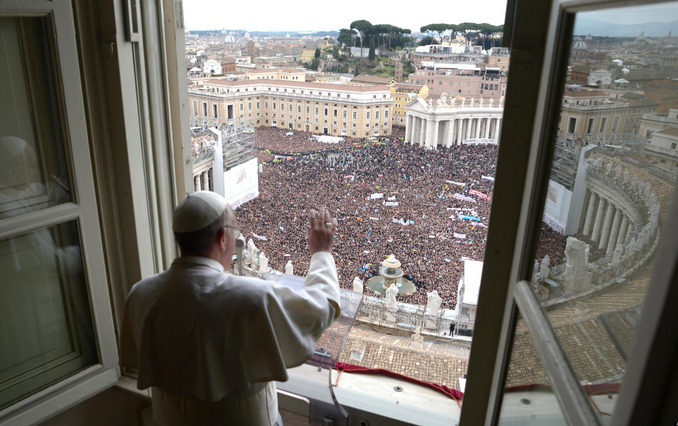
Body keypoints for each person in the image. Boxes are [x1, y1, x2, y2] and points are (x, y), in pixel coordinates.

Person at [119, 191, 340, 426]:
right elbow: (321, 307)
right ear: (223, 237)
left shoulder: (140, 294)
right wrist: (322, 253)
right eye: (234, 230)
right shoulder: (253, 297)